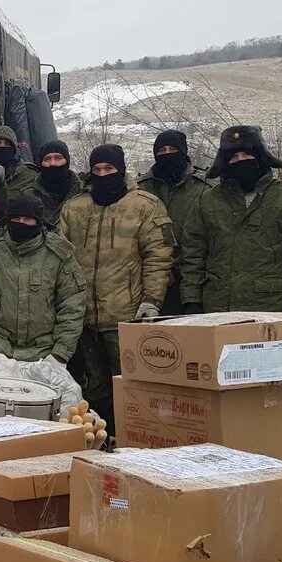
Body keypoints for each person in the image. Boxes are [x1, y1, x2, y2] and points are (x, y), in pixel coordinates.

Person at [58, 143, 174, 432]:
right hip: (84, 318)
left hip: (127, 315)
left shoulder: (144, 206)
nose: (103, 174)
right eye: (97, 169)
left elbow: (158, 256)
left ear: (120, 170)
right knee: (94, 389)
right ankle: (101, 440)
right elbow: (59, 258)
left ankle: (135, 438)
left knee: (132, 385)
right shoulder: (75, 208)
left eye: (109, 169)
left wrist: (151, 301)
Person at [182, 125, 282, 314]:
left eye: (246, 155)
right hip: (217, 307)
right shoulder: (207, 201)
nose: (240, 161)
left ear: (260, 156)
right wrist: (191, 298)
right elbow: (192, 254)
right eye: (234, 157)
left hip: (270, 308)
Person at [0, 193, 86, 363]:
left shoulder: (59, 254)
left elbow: (72, 305)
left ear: (38, 221)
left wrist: (61, 353)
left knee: (69, 390)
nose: (21, 223)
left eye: (27, 219)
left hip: (44, 351)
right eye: (16, 218)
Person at [138, 130, 214, 315]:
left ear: (184, 151)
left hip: (197, 278)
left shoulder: (205, 187)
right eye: (161, 150)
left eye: (172, 149)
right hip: (151, 280)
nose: (167, 154)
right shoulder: (141, 188)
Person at [0, 125, 39, 225]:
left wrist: (0, 186)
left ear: (14, 149)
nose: (2, 147)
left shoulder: (30, 175)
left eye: (7, 143)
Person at [34, 139, 83, 221]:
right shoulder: (29, 193)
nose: (52, 163)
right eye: (47, 159)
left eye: (58, 158)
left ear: (67, 162)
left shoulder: (82, 192)